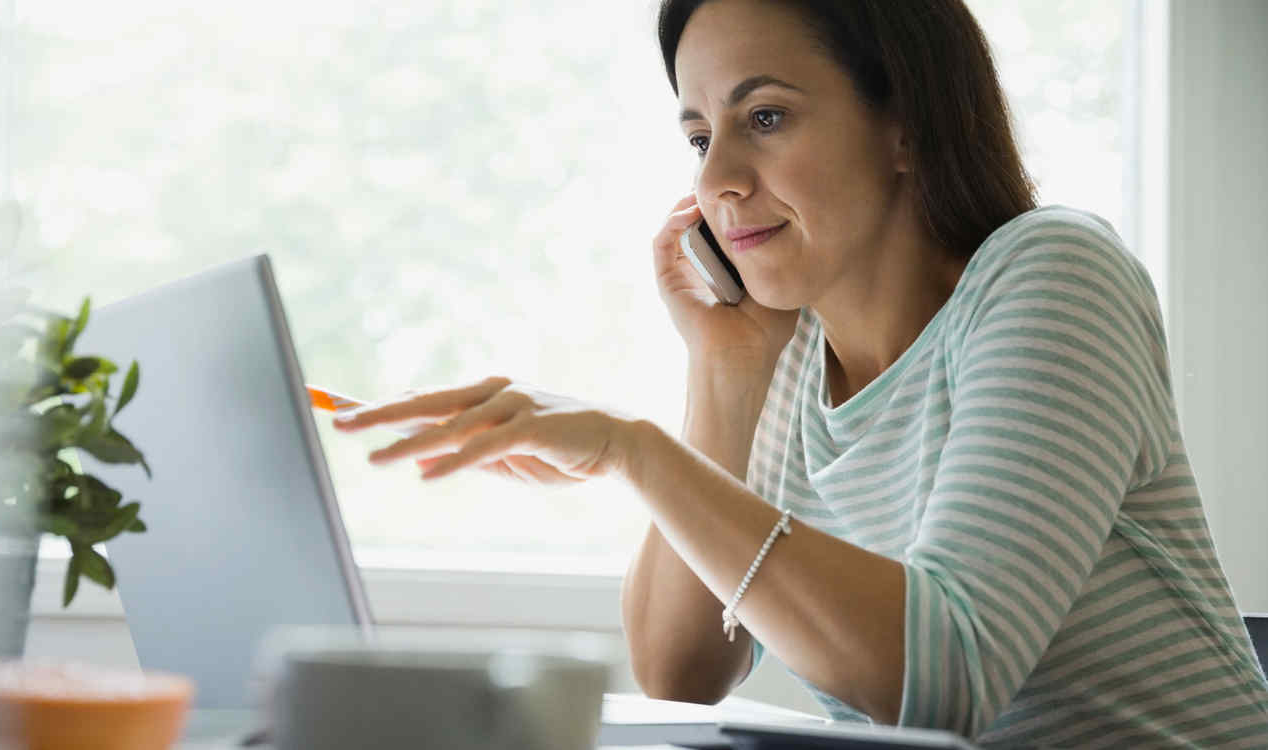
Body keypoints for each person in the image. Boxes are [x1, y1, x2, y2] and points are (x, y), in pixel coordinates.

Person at [333, 0, 1268, 745]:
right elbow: (679, 677)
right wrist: (723, 376)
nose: (719, 180)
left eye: (765, 118)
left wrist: (633, 451)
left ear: (905, 124)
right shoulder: (786, 357)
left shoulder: (1053, 274)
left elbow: (942, 680)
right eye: (701, 137)